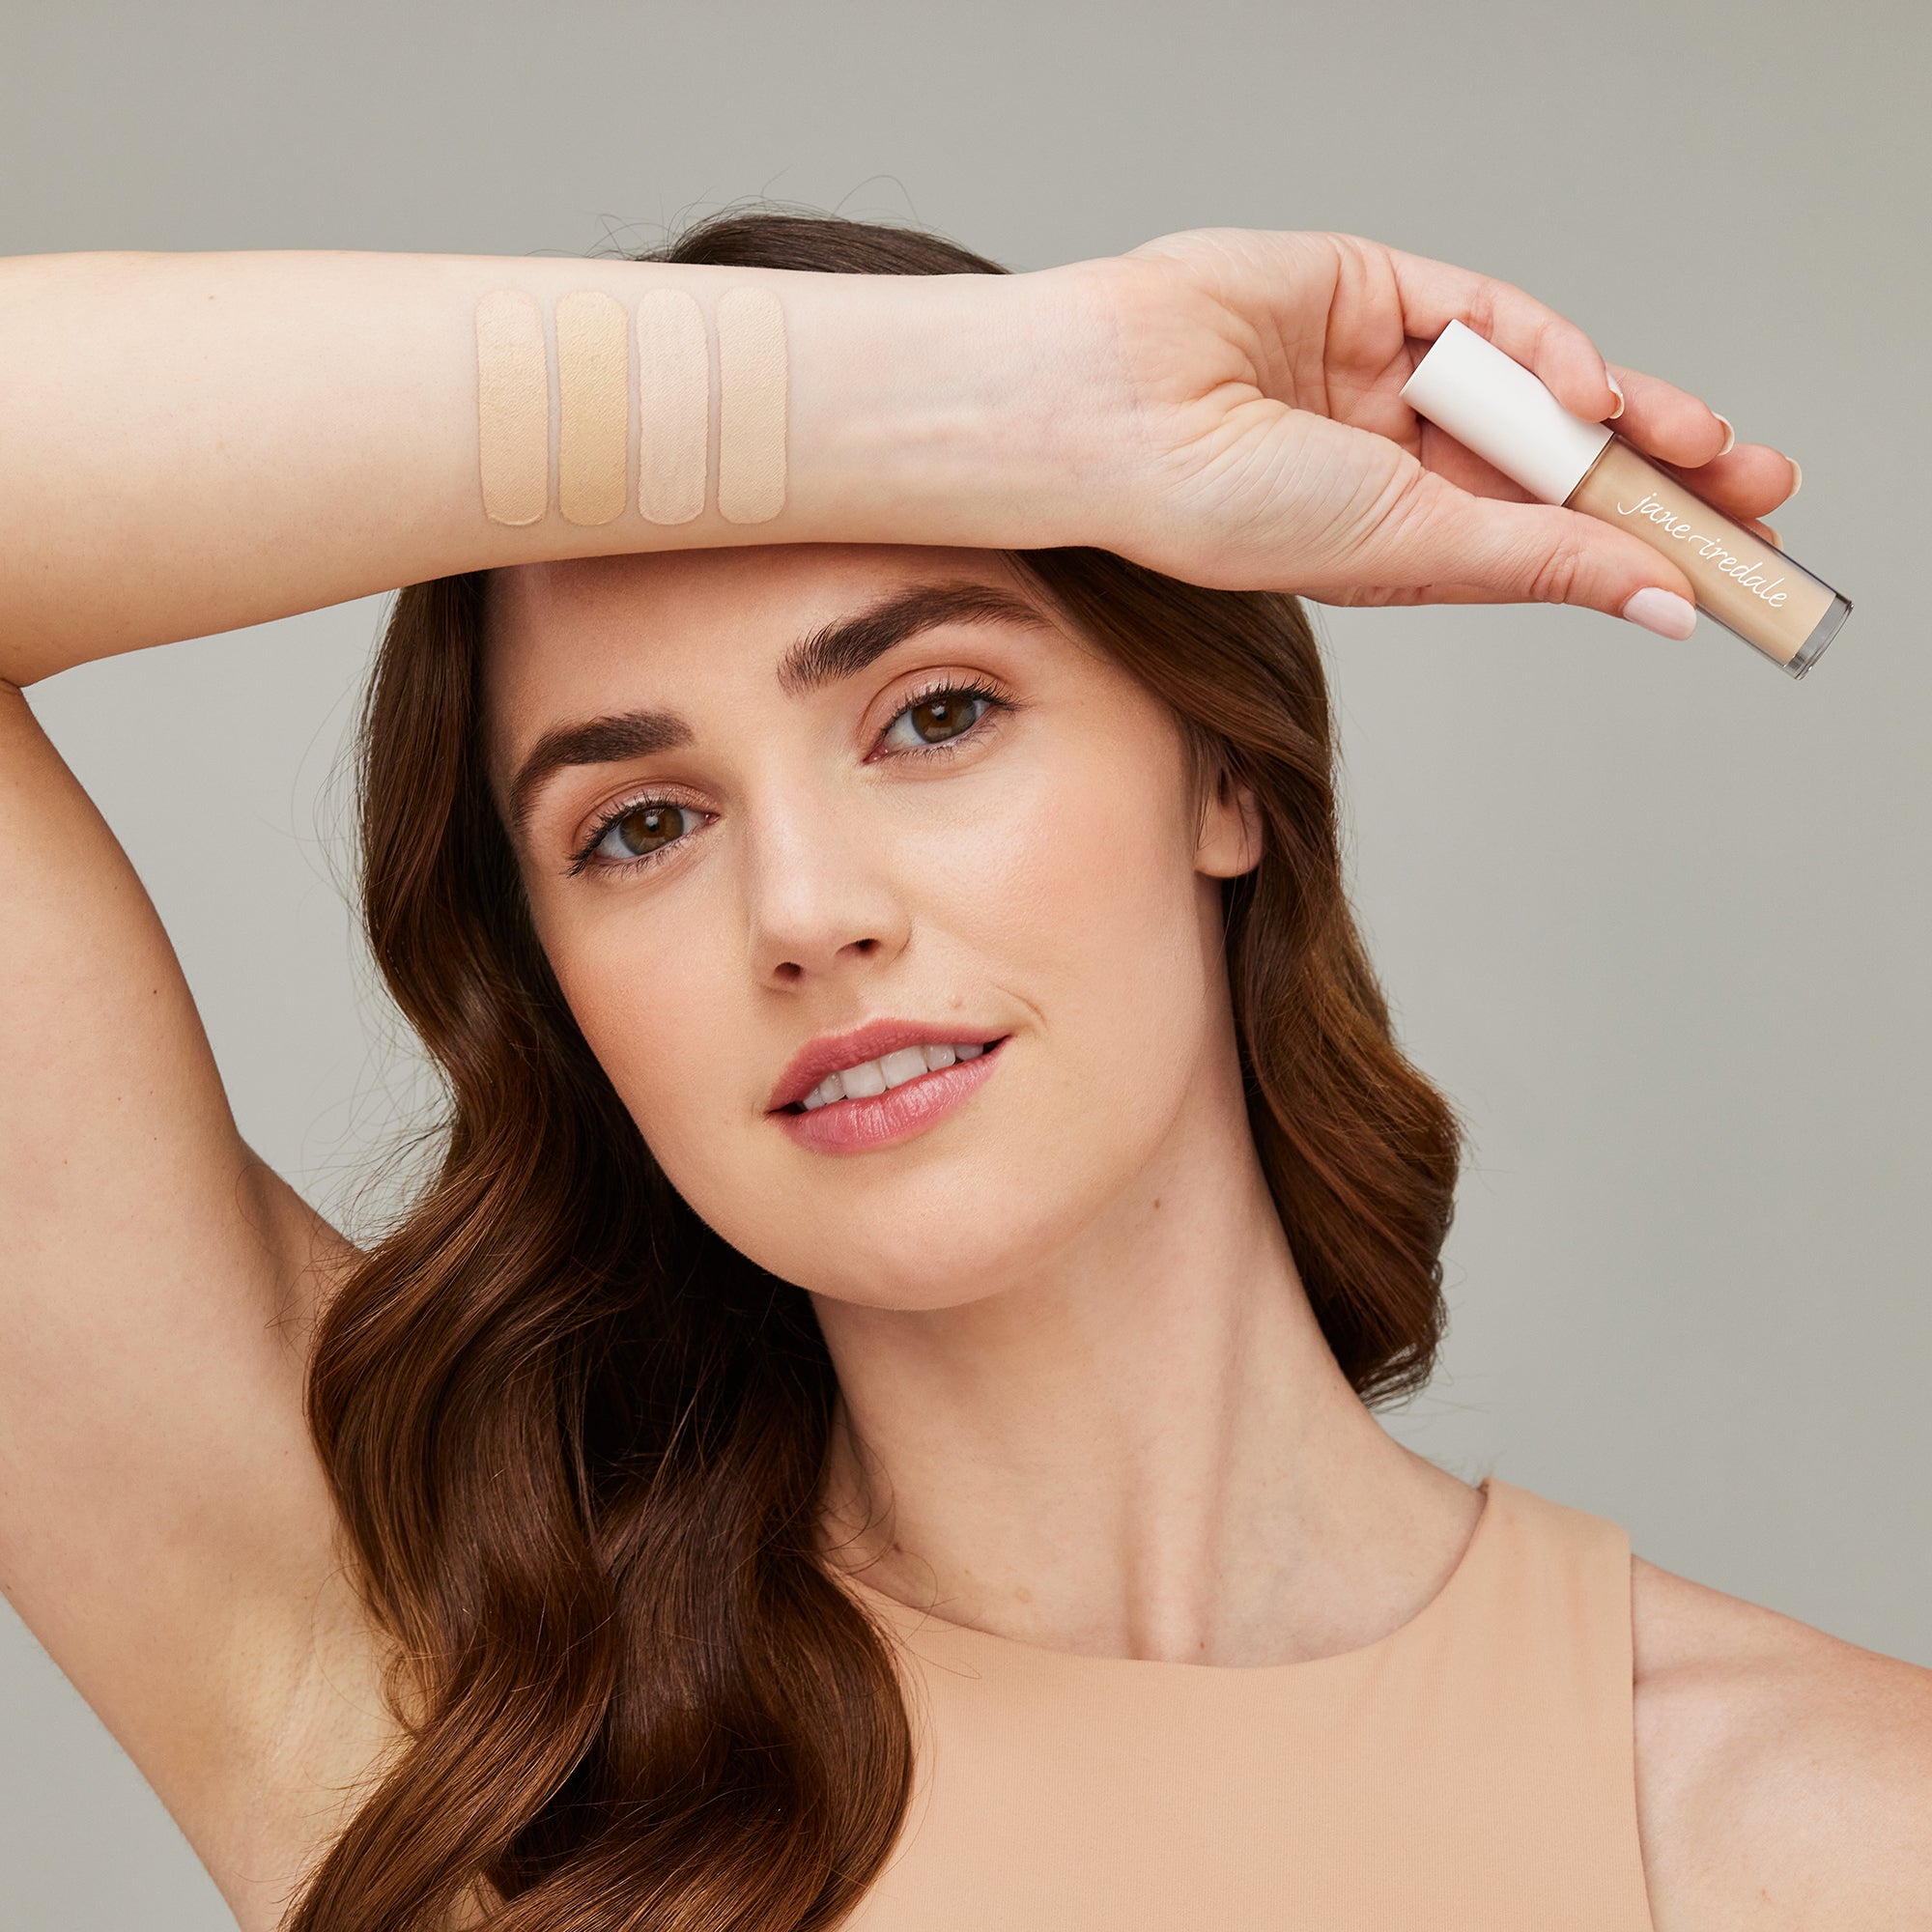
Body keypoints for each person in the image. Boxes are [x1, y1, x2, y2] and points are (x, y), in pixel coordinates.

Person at [0, 208, 1923, 1932]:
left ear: (1223, 774)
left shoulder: (1834, 1834)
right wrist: (1025, 387)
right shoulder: (443, 1699)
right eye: (641, 825)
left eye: (934, 713)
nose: (806, 911)